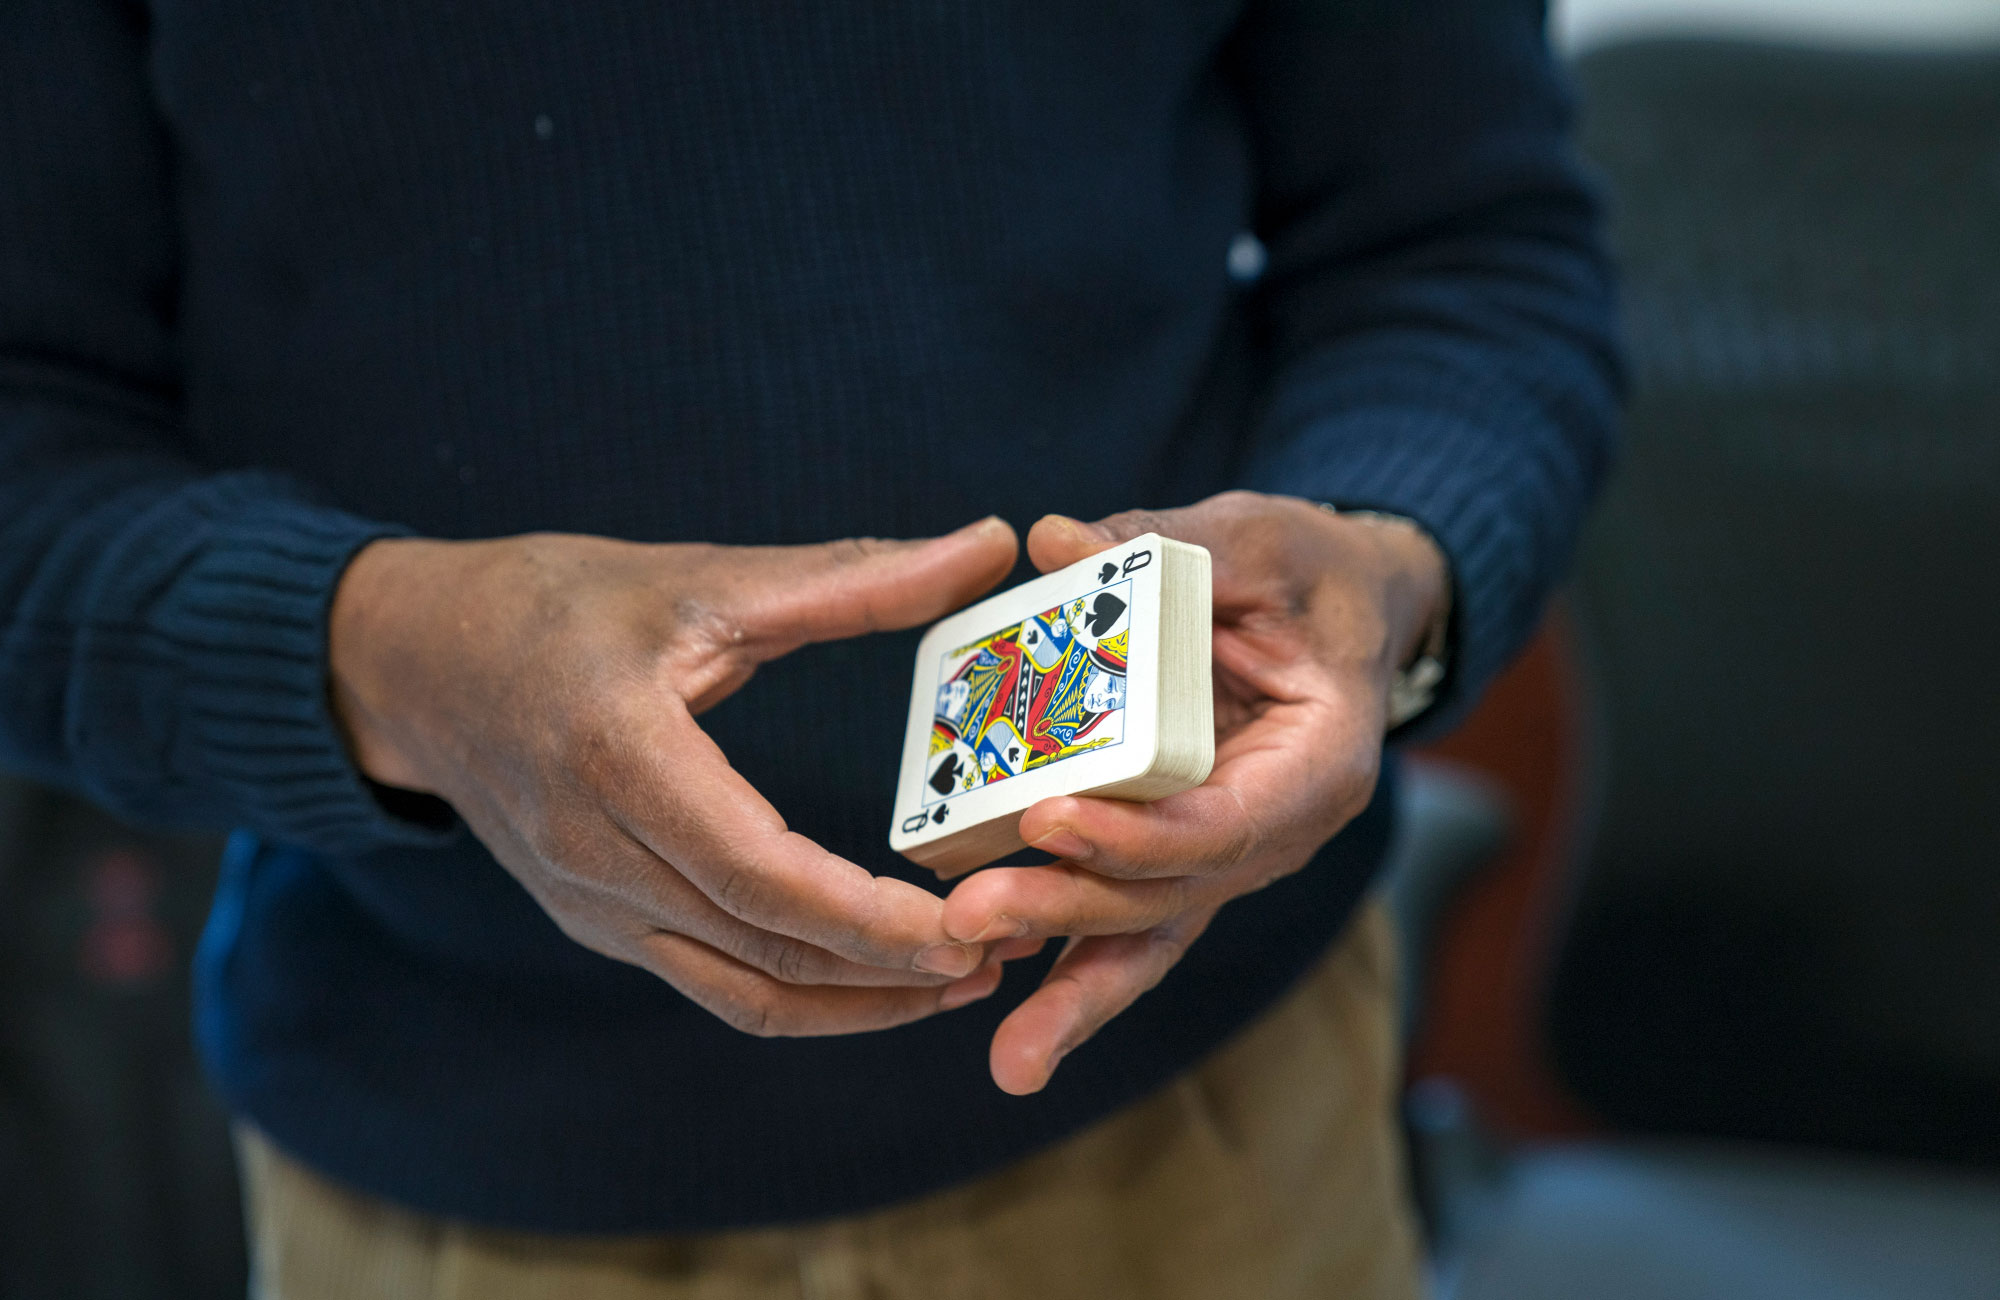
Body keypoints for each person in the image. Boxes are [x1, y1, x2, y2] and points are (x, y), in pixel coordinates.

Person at [0, 0, 1620, 1293]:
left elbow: (1464, 247)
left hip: (1221, 1137)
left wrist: (1392, 567)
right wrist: (389, 652)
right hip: (443, 1190)